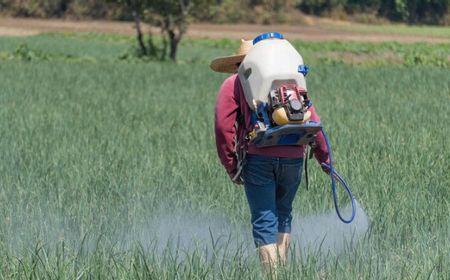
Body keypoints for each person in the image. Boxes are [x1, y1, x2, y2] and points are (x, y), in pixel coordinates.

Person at [210, 38, 330, 272]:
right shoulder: (288, 82)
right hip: (294, 156)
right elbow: (313, 120)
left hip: (259, 157)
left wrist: (231, 166)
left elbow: (223, 128)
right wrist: (325, 159)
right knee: (283, 215)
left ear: (240, 63)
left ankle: (272, 277)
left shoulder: (233, 83)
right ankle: (283, 271)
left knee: (265, 219)